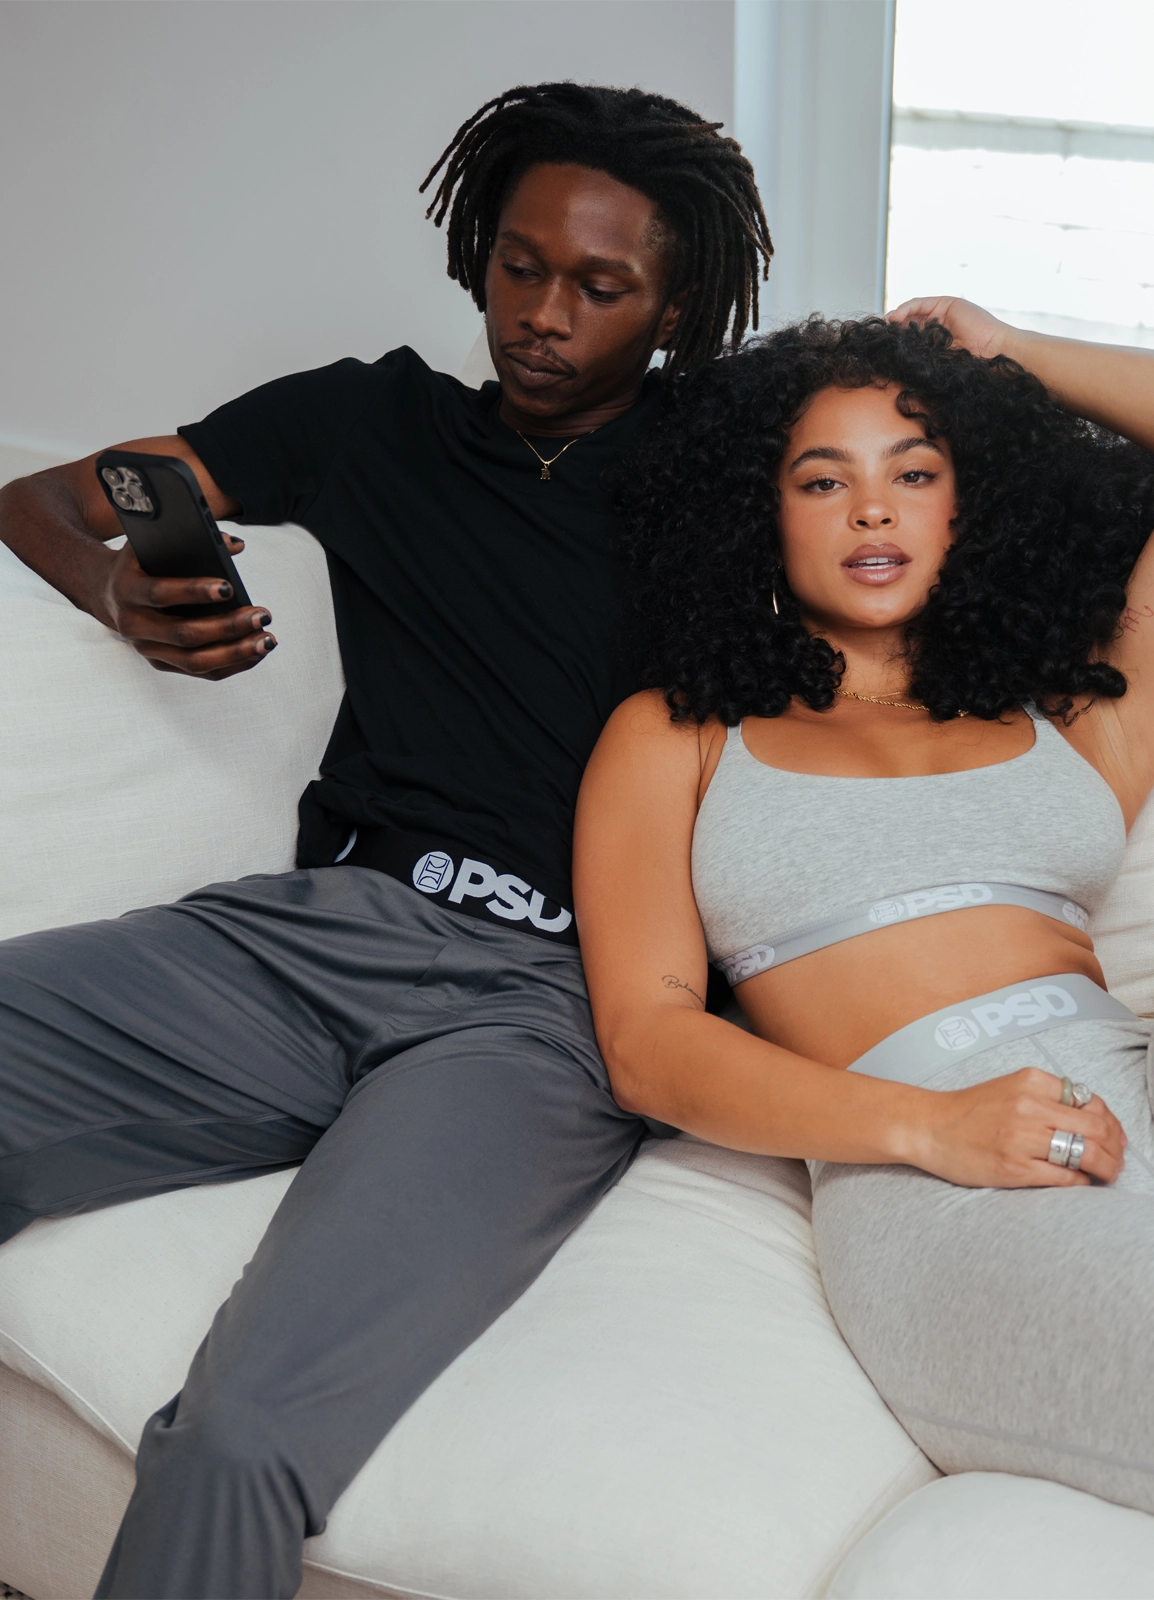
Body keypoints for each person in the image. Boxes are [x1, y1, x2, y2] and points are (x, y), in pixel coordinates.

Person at [0, 82, 770, 1600]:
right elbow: (50, 498)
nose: (543, 315)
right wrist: (117, 592)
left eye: (600, 287)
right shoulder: (368, 425)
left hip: (552, 1008)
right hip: (314, 936)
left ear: (675, 311)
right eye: (520, 267)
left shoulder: (739, 468)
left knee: (240, 1436)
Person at [575, 301, 1154, 1543]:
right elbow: (646, 1042)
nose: (871, 510)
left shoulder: (1074, 716)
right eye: (822, 479)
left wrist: (1006, 351)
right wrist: (930, 1124)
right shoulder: (678, 734)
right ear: (758, 513)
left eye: (913, 472)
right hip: (933, 1180)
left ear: (969, 505)